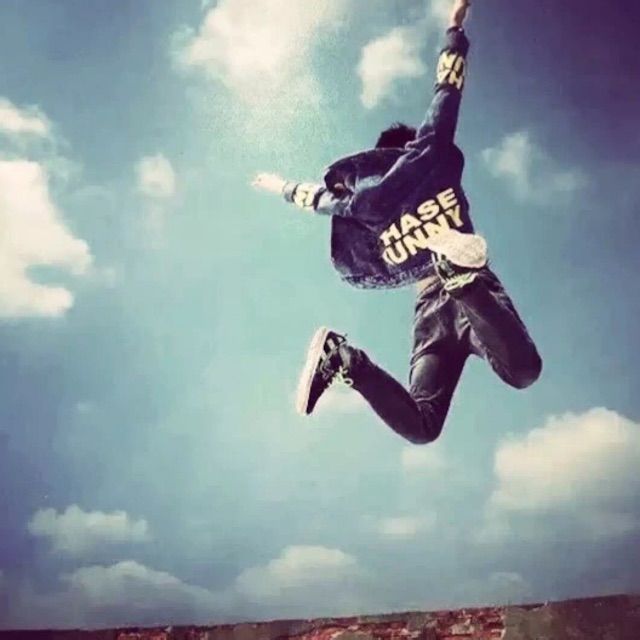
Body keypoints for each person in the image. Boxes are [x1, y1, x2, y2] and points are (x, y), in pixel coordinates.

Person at [251, 0, 542, 445]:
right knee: (428, 425)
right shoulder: (407, 172)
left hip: (462, 298)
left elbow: (316, 199)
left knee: (522, 371)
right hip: (434, 309)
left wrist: (279, 187)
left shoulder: (385, 186)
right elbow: (446, 91)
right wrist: (454, 28)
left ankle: (460, 278)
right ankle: (345, 359)